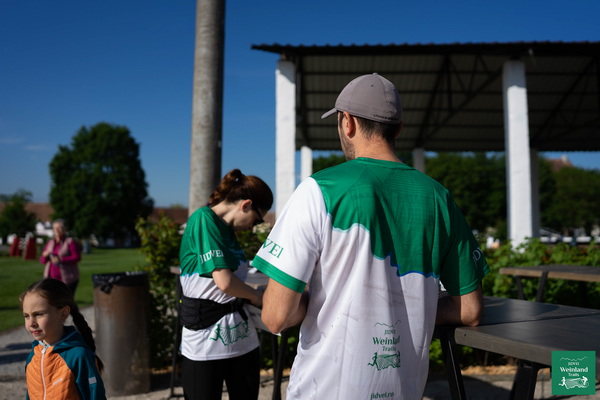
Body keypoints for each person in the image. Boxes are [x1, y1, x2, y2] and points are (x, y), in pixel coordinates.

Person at [253, 73, 490, 399]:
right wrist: (409, 311)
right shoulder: (439, 197)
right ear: (398, 129)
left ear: (347, 122)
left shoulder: (319, 190)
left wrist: (318, 303)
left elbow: (276, 316)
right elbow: (470, 309)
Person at [178, 168, 273, 400]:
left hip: (242, 339)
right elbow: (225, 282)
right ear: (246, 205)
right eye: (257, 220)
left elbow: (237, 277)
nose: (253, 227)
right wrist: (257, 297)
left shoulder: (227, 230)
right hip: (205, 342)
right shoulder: (204, 219)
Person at [20, 278, 106, 400]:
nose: (31, 323)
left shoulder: (79, 356)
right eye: (26, 316)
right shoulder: (32, 357)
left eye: (39, 314)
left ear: (63, 313)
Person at [40, 219, 81, 295]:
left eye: (59, 228)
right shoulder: (50, 242)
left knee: (66, 300)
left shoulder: (70, 241)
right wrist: (44, 255)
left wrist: (61, 259)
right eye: (54, 228)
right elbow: (42, 261)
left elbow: (77, 257)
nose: (56, 230)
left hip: (68, 278)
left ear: (65, 229)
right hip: (51, 279)